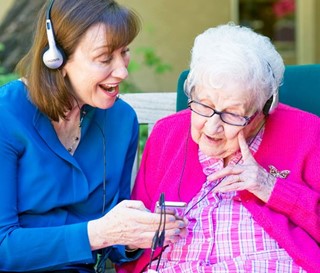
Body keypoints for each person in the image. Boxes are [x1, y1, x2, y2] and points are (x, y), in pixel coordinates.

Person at [0, 0, 187, 272]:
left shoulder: (121, 119)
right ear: (57, 59)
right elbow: (3, 247)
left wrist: (137, 235)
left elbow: (117, 237)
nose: (122, 71)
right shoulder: (7, 115)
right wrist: (100, 233)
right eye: (104, 58)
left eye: (124, 52)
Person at [117, 23, 320, 273]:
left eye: (232, 114)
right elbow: (131, 248)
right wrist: (134, 241)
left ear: (262, 111)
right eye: (203, 105)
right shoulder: (167, 134)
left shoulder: (307, 133)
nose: (212, 127)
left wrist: (271, 187)